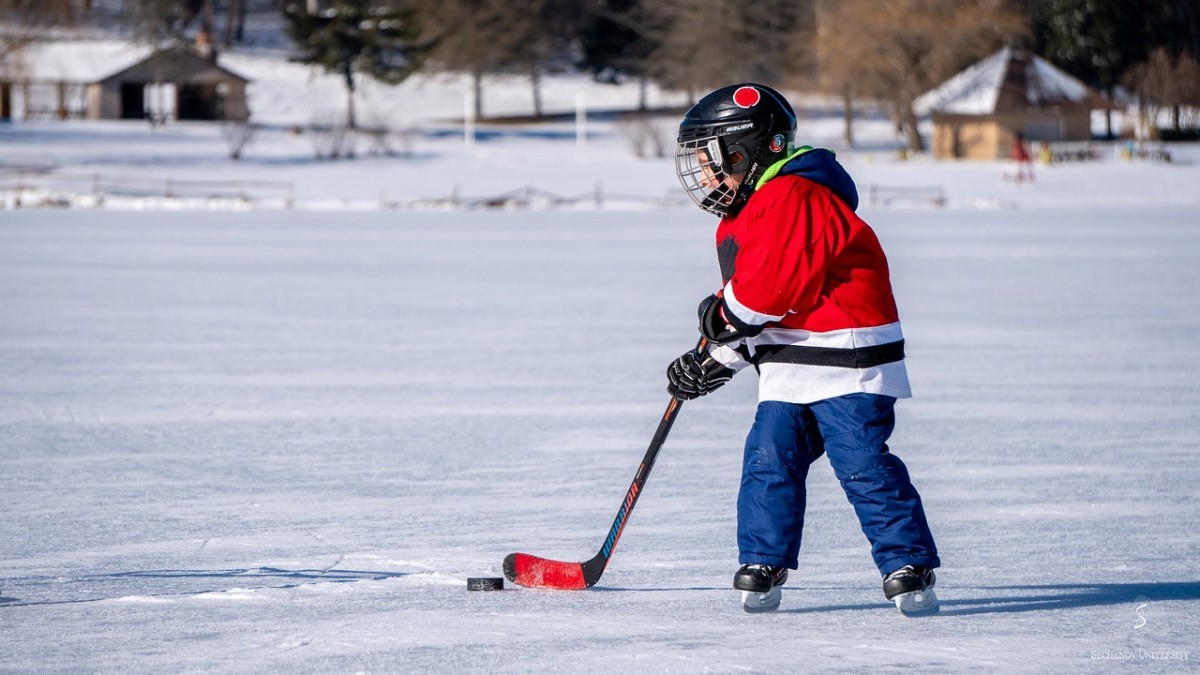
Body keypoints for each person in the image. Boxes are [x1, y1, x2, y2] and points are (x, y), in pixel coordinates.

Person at [665, 83, 940, 615]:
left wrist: (723, 317)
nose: (706, 176)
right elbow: (762, 315)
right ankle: (764, 560)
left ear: (751, 149)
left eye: (713, 160)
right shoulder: (743, 215)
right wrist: (713, 360)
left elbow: (768, 294)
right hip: (791, 368)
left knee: (861, 463)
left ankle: (907, 563)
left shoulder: (794, 196)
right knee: (769, 459)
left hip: (848, 362)